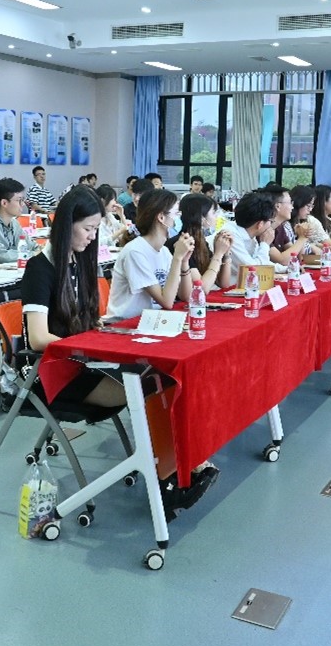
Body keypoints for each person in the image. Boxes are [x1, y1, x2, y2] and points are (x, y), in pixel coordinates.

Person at [20, 187, 218, 520]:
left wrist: (96, 333)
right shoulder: (41, 268)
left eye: (96, 229)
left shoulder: (79, 262)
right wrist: (88, 345)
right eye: (88, 229)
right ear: (67, 226)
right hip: (54, 370)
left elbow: (83, 320)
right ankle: (170, 476)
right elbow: (39, 338)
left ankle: (177, 468)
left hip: (83, 360)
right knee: (156, 384)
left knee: (165, 377)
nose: (92, 236)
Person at [106, 188, 194, 322]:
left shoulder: (163, 251)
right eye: (176, 213)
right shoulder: (135, 252)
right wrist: (177, 258)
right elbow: (167, 302)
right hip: (125, 323)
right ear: (161, 217)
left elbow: (186, 296)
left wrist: (184, 261)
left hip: (151, 320)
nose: (179, 219)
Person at [169, 193, 233, 286]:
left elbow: (223, 283)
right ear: (201, 218)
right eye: (214, 213)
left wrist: (225, 254)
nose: (216, 217)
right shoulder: (181, 244)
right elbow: (201, 288)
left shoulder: (201, 241)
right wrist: (218, 254)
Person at [219, 191, 275, 289]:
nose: (271, 226)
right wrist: (265, 244)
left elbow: (261, 261)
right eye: (271, 221)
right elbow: (254, 269)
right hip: (215, 290)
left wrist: (287, 268)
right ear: (260, 224)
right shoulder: (230, 235)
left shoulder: (248, 233)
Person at [95, 184, 130, 248]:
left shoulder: (109, 215)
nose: (115, 203)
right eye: (113, 199)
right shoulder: (95, 219)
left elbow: (126, 230)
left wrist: (121, 215)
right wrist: (119, 232)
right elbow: (99, 242)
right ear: (103, 200)